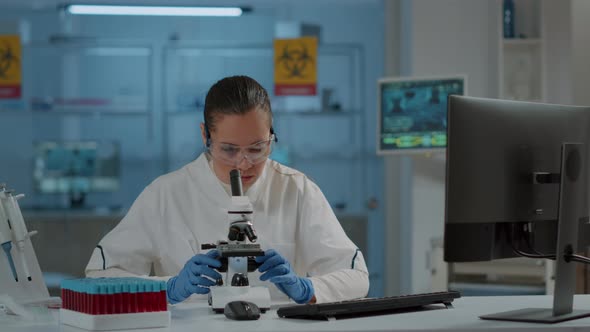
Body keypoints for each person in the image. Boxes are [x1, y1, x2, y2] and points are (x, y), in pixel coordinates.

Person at [85, 75, 369, 305]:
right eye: (229, 150)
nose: (244, 163)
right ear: (205, 136)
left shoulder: (296, 189)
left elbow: (357, 277)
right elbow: (99, 278)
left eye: (257, 148)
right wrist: (167, 289)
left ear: (272, 137)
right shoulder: (165, 194)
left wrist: (308, 288)